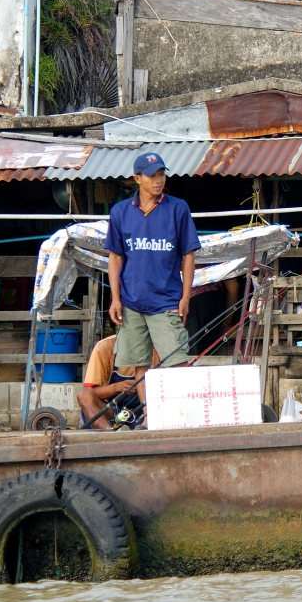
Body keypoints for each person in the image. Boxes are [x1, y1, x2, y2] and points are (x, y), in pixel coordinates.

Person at [104, 152, 201, 419]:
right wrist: (115, 298)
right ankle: (150, 416)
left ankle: (183, 414)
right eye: (152, 175)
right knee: (139, 364)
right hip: (131, 301)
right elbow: (115, 257)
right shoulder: (121, 212)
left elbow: (188, 254)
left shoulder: (177, 208)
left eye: (161, 174)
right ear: (137, 179)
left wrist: (186, 296)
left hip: (166, 300)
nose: (158, 180)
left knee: (176, 359)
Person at [77, 335, 159, 429]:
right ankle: (109, 433)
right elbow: (89, 392)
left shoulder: (156, 347)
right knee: (83, 396)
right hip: (112, 412)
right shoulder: (105, 347)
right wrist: (117, 387)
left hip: (144, 412)